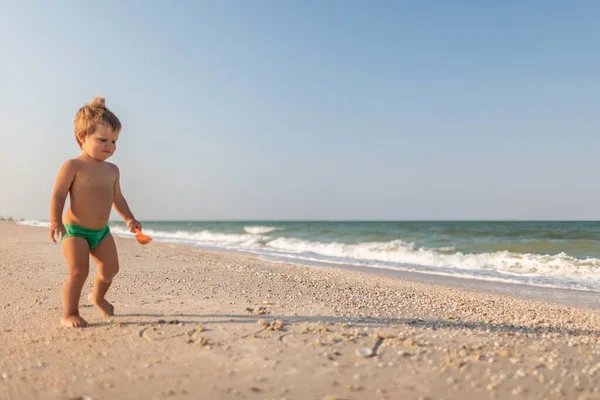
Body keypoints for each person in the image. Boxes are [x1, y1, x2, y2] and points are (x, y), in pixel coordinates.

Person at [48, 96, 141, 328]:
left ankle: (97, 297)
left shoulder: (113, 170)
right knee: (79, 271)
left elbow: (117, 198)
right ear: (82, 137)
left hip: (101, 232)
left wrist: (129, 218)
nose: (110, 146)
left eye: (114, 141)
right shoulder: (73, 166)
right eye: (103, 140)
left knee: (111, 270)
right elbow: (58, 195)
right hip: (75, 230)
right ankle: (69, 313)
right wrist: (55, 221)